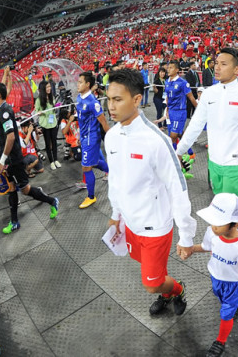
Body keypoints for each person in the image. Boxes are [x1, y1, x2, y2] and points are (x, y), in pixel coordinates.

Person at [104, 68, 196, 317]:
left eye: (118, 99)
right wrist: (115, 213)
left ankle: (176, 290)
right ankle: (166, 292)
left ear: (136, 100)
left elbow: (178, 189)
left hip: (155, 226)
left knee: (150, 283)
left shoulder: (156, 141)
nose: (111, 106)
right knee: (147, 268)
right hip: (130, 223)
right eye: (108, 99)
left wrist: (186, 235)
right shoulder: (111, 136)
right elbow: (115, 179)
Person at [176, 47, 238, 196]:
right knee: (219, 207)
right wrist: (180, 151)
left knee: (229, 212)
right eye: (216, 63)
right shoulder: (209, 93)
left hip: (235, 164)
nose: (217, 67)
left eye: (223, 64)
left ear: (236, 69)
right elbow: (195, 125)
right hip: (213, 161)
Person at [190, 193, 238, 357]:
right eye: (212, 221)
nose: (213, 226)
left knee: (226, 313)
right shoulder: (212, 233)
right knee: (223, 300)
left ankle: (220, 341)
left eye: (218, 223)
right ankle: (237, 302)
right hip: (216, 278)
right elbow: (205, 246)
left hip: (234, 284)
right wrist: (191, 249)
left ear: (235, 223)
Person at [0, 83, 59, 234]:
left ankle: (52, 201)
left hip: (13, 159)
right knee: (12, 188)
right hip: (10, 159)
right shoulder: (2, 109)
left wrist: (2, 162)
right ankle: (14, 222)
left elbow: (10, 137)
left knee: (25, 189)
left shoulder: (5, 112)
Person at [76, 71, 110, 209]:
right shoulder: (79, 98)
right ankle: (113, 172)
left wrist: (113, 138)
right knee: (94, 162)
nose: (77, 85)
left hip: (91, 138)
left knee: (86, 166)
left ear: (88, 84)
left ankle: (91, 197)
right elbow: (80, 119)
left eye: (80, 82)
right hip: (84, 137)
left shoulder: (93, 102)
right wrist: (79, 134)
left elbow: (103, 122)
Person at [164, 60, 197, 155]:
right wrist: (167, 110)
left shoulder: (183, 82)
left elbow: (191, 97)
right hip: (170, 112)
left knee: (172, 136)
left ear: (177, 70)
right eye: (168, 67)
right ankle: (190, 151)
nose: (168, 70)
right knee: (178, 133)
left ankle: (174, 155)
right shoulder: (167, 82)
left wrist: (199, 110)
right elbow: (167, 97)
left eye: (171, 68)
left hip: (180, 112)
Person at [34, 81, 61, 171]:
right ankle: (51, 162)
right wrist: (39, 112)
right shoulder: (38, 100)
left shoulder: (51, 97)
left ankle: (56, 159)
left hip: (53, 122)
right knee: (48, 143)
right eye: (47, 87)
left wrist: (57, 106)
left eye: (49, 86)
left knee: (54, 142)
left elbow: (53, 109)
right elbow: (36, 111)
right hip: (45, 124)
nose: (49, 88)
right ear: (42, 89)